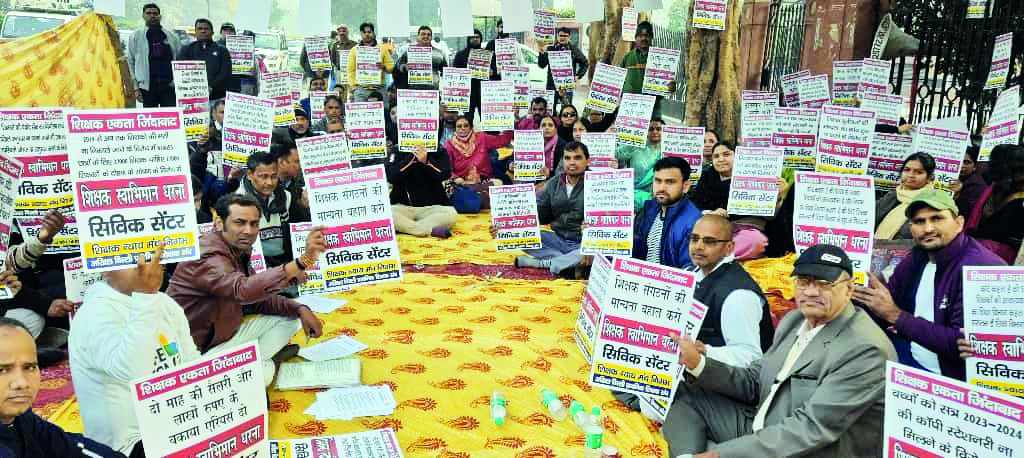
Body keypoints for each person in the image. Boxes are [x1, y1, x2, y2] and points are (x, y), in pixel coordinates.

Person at [662, 245, 897, 457]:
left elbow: (809, 429)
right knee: (682, 394)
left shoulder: (866, 349)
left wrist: (719, 455)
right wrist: (698, 363)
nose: (811, 292)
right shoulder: (794, 320)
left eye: (824, 284)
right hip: (762, 425)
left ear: (848, 289)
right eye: (803, 281)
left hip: (807, 448)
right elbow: (756, 381)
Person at [167, 194, 325, 386]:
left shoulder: (236, 249)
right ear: (219, 223)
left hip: (225, 338)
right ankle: (263, 364)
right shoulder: (207, 255)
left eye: (254, 224)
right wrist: (302, 262)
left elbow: (256, 299)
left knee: (290, 319)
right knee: (261, 376)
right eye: (240, 223)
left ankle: (253, 363)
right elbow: (242, 290)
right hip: (196, 353)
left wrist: (300, 309)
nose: (248, 231)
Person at [855, 187, 1005, 380]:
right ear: (911, 228)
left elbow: (965, 345)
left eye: (937, 218)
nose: (928, 228)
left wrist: (896, 316)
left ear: (959, 223)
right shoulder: (918, 256)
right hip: (909, 352)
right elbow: (888, 302)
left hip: (947, 379)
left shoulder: (980, 268)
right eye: (919, 221)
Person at [68, 244, 199, 458]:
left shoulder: (165, 303)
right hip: (127, 446)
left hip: (174, 423)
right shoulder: (94, 312)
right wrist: (146, 296)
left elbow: (191, 363)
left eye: (149, 255)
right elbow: (135, 373)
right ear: (105, 269)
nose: (142, 265)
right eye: (130, 259)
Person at [0, 318, 127, 457]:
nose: (22, 382)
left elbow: (68, 446)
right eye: (2, 370)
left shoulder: (22, 419)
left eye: (29, 367)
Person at [688, 141, 788, 260]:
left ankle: (717, 259)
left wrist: (778, 196)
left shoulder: (755, 176)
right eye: (716, 156)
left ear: (737, 156)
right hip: (715, 228)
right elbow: (696, 207)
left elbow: (770, 217)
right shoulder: (706, 178)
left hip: (746, 229)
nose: (721, 159)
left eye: (726, 154)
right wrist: (711, 213)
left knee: (755, 241)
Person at [513, 142, 590, 278]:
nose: (572, 162)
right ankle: (566, 262)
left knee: (603, 251)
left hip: (584, 243)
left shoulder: (598, 184)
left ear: (587, 160)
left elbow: (611, 223)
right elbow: (540, 216)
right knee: (517, 235)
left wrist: (593, 234)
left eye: (577, 157)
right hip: (558, 239)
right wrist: (507, 226)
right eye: (567, 158)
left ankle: (543, 263)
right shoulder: (553, 183)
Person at [632, 157, 701, 269]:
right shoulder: (648, 211)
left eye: (670, 182)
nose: (662, 188)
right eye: (658, 181)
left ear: (686, 186)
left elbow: (689, 270)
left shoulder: (695, 223)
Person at [966, 144, 1024, 263]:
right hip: (982, 253)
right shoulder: (994, 188)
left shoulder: (1018, 201)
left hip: (1000, 260)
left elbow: (1002, 232)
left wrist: (972, 234)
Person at [233, 152, 292, 267]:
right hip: (254, 265)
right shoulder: (238, 203)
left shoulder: (286, 196)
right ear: (249, 175)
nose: (269, 182)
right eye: (263, 177)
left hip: (284, 262)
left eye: (274, 176)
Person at [386, 143, 458, 238]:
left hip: (432, 208)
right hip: (402, 207)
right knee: (386, 214)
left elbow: (445, 174)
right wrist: (412, 158)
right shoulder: (397, 149)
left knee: (451, 214)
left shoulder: (439, 149)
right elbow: (391, 176)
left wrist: (427, 161)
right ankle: (424, 229)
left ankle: (406, 228)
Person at [444, 115, 512, 209]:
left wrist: (510, 121)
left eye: (466, 125)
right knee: (459, 193)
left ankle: (479, 199)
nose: (463, 128)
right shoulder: (449, 145)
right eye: (459, 126)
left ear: (471, 127)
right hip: (462, 183)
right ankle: (479, 199)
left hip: (483, 181)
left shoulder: (481, 138)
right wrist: (456, 178)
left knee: (498, 183)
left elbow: (502, 140)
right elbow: (448, 169)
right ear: (454, 129)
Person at [126, 3, 182, 107]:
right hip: (147, 86)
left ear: (160, 16)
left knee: (169, 115)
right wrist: (135, 87)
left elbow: (179, 60)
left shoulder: (171, 36)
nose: (152, 16)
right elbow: (130, 62)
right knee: (150, 116)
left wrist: (177, 83)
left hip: (169, 85)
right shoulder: (135, 36)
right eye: (149, 13)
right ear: (143, 16)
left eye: (155, 13)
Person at [619, 21, 677, 117]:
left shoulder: (661, 59)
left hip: (653, 108)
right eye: (640, 36)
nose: (644, 38)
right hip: (629, 107)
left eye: (647, 35)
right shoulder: (627, 57)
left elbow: (669, 87)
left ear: (651, 37)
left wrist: (671, 87)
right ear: (635, 38)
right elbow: (618, 81)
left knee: (655, 127)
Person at [875, 152, 937, 240]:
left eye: (919, 172)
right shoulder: (894, 195)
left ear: (929, 177)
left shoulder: (932, 202)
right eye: (907, 170)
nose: (911, 175)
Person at [616, 117, 665, 213]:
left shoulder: (668, 151)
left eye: (659, 129)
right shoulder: (634, 147)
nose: (655, 132)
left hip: (657, 199)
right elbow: (616, 157)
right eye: (651, 129)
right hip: (632, 197)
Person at [178, 18, 231, 101]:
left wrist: (211, 86)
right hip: (192, 96)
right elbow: (180, 72)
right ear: (195, 32)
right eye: (200, 29)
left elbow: (225, 72)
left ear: (212, 32)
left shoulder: (222, 50)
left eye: (206, 29)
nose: (203, 31)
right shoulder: (186, 49)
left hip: (217, 96)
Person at [538, 27, 589, 110]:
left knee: (567, 109)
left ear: (569, 37)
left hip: (567, 86)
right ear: (557, 36)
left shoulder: (574, 49)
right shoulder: (550, 48)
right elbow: (542, 65)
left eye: (565, 36)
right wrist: (541, 53)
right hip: (552, 85)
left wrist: (578, 76)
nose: (562, 38)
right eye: (561, 35)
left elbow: (585, 63)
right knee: (550, 109)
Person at [348, 22, 394, 102]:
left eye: (369, 32)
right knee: (361, 110)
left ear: (373, 33)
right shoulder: (354, 50)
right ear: (361, 34)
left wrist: (384, 67)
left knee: (384, 110)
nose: (367, 34)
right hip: (361, 90)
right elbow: (350, 70)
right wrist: (354, 87)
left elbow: (391, 67)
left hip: (380, 89)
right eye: (364, 32)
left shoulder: (383, 49)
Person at [396, 26, 448, 91]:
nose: (426, 36)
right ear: (418, 37)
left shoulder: (439, 53)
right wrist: (404, 67)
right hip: (413, 91)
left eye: (428, 35)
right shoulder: (409, 52)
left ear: (431, 37)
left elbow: (445, 70)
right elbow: (399, 65)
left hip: (433, 91)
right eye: (423, 34)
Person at [452, 29, 488, 122]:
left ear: (481, 39)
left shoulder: (486, 55)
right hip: (467, 93)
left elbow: (494, 70)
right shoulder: (460, 55)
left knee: (486, 120)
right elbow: (454, 73)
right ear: (468, 39)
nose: (475, 39)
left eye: (477, 37)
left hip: (483, 92)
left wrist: (492, 71)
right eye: (473, 37)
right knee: (467, 120)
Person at [272, 141, 310, 223]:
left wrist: (303, 206)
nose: (301, 166)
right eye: (297, 161)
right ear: (282, 162)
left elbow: (300, 223)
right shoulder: (267, 188)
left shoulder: (298, 190)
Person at [952, 145, 986, 218]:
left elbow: (966, 212)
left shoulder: (976, 185)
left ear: (975, 166)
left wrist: (957, 195)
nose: (961, 166)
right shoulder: (954, 178)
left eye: (966, 162)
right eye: (959, 161)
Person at [329, 23, 358, 96]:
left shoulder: (354, 44)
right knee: (341, 93)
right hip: (340, 73)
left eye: (344, 31)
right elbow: (333, 59)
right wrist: (340, 67)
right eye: (340, 31)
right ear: (338, 33)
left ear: (347, 32)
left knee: (353, 93)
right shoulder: (335, 45)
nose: (342, 33)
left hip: (352, 73)